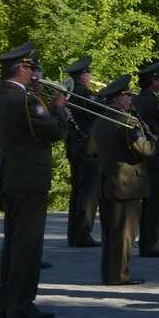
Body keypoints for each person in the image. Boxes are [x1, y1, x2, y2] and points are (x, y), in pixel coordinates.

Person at [0, 43, 68, 318]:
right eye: (32, 69)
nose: (36, 74)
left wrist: (43, 103)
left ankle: (7, 302)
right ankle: (21, 304)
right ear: (22, 69)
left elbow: (28, 130)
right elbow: (53, 132)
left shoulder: (3, 96)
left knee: (13, 241)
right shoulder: (25, 101)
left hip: (12, 174)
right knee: (28, 243)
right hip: (30, 177)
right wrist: (59, 108)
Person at [90, 75, 157, 285]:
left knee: (110, 232)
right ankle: (119, 275)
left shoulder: (100, 120)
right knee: (125, 235)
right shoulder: (128, 122)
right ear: (117, 99)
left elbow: (91, 150)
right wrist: (155, 143)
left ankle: (109, 274)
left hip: (106, 181)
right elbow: (145, 151)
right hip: (127, 184)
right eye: (127, 96)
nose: (130, 100)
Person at [132, 60, 159, 258]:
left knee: (148, 202)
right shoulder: (156, 102)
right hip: (158, 155)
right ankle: (153, 242)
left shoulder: (136, 100)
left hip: (143, 155)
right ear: (152, 82)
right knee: (157, 201)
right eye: (158, 78)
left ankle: (146, 241)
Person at [61, 55, 100, 247]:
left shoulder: (68, 93)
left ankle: (73, 233)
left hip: (75, 148)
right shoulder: (85, 94)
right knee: (88, 194)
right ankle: (83, 234)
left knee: (77, 192)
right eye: (89, 72)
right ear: (83, 75)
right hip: (88, 149)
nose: (91, 76)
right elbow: (100, 112)